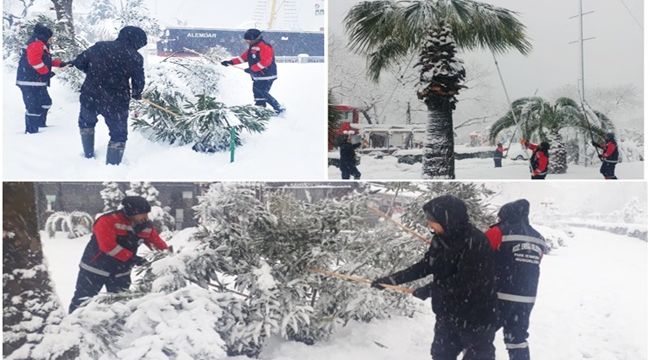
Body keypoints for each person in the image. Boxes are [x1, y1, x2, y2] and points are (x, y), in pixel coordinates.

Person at [372, 195, 497, 360]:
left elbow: (468, 280)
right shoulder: (440, 239)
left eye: (432, 219)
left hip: (476, 316)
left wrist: (430, 290)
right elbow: (425, 265)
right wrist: (392, 280)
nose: (428, 224)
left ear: (448, 218)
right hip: (447, 314)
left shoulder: (475, 241)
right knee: (441, 355)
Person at [69, 196, 169, 313]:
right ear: (131, 212)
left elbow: (157, 243)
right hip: (94, 270)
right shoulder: (106, 221)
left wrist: (170, 256)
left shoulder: (145, 225)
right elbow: (108, 247)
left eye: (147, 213)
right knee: (83, 301)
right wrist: (133, 258)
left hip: (121, 273)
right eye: (142, 214)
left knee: (120, 305)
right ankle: (72, 326)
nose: (146, 217)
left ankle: (115, 327)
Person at [69, 26, 147, 165]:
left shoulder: (100, 47)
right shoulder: (135, 56)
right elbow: (138, 81)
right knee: (118, 133)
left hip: (90, 95)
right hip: (116, 100)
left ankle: (88, 155)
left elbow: (80, 62)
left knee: (86, 123)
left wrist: (94, 72)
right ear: (136, 41)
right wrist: (136, 93)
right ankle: (112, 166)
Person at [485, 199, 547, 360]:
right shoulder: (539, 238)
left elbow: (478, 256)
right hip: (526, 298)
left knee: (480, 336)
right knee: (517, 339)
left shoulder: (498, 232)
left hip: (498, 296)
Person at [15, 23, 68, 133]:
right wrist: (46, 73)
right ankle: (32, 131)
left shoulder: (40, 43)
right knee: (33, 106)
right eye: (50, 37)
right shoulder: (36, 43)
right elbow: (35, 61)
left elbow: (44, 60)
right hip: (29, 82)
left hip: (36, 81)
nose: (51, 40)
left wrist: (59, 64)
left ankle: (40, 124)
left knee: (46, 102)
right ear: (45, 36)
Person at [220, 28, 285, 115]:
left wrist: (252, 69)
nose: (247, 42)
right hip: (258, 75)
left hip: (267, 75)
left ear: (255, 38)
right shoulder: (253, 47)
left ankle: (278, 108)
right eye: (246, 40)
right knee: (257, 91)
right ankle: (260, 109)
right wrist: (230, 62)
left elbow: (266, 62)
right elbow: (243, 58)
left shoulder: (264, 46)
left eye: (248, 40)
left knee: (261, 91)